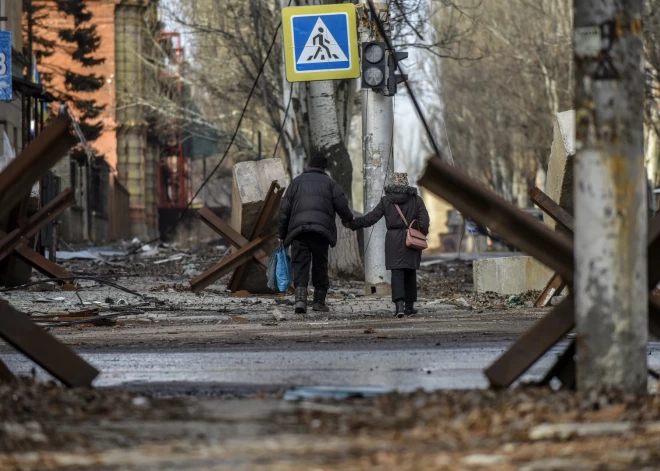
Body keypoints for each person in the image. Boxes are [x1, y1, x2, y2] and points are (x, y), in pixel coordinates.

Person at [278, 152, 354, 314]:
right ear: (325, 168)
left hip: (299, 231)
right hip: (321, 231)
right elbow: (342, 205)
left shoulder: (296, 183)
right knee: (320, 264)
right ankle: (319, 302)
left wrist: (281, 233)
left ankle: (300, 301)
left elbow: (284, 210)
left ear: (310, 166)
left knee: (300, 264)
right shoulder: (331, 184)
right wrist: (348, 219)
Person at [346, 172, 429, 318]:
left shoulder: (386, 201)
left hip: (393, 240)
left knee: (397, 273)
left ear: (394, 183)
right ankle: (410, 307)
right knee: (410, 272)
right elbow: (424, 222)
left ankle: (399, 307)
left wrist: (353, 224)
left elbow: (371, 218)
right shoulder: (416, 200)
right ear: (406, 183)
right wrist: (420, 233)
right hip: (411, 239)